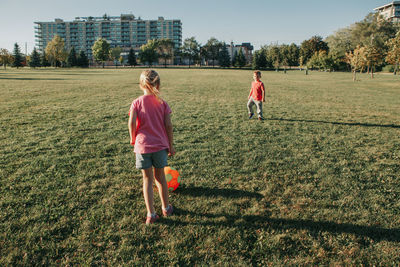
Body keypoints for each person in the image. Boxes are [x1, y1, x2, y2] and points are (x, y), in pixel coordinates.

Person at [128, 69, 175, 224]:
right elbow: (168, 126)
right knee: (160, 178)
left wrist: (133, 138)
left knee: (147, 179)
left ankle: (151, 214)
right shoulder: (163, 103)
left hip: (142, 147)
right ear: (158, 85)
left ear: (141, 85)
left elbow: (131, 123)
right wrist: (171, 145)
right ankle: (166, 208)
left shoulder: (136, 102)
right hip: (160, 147)